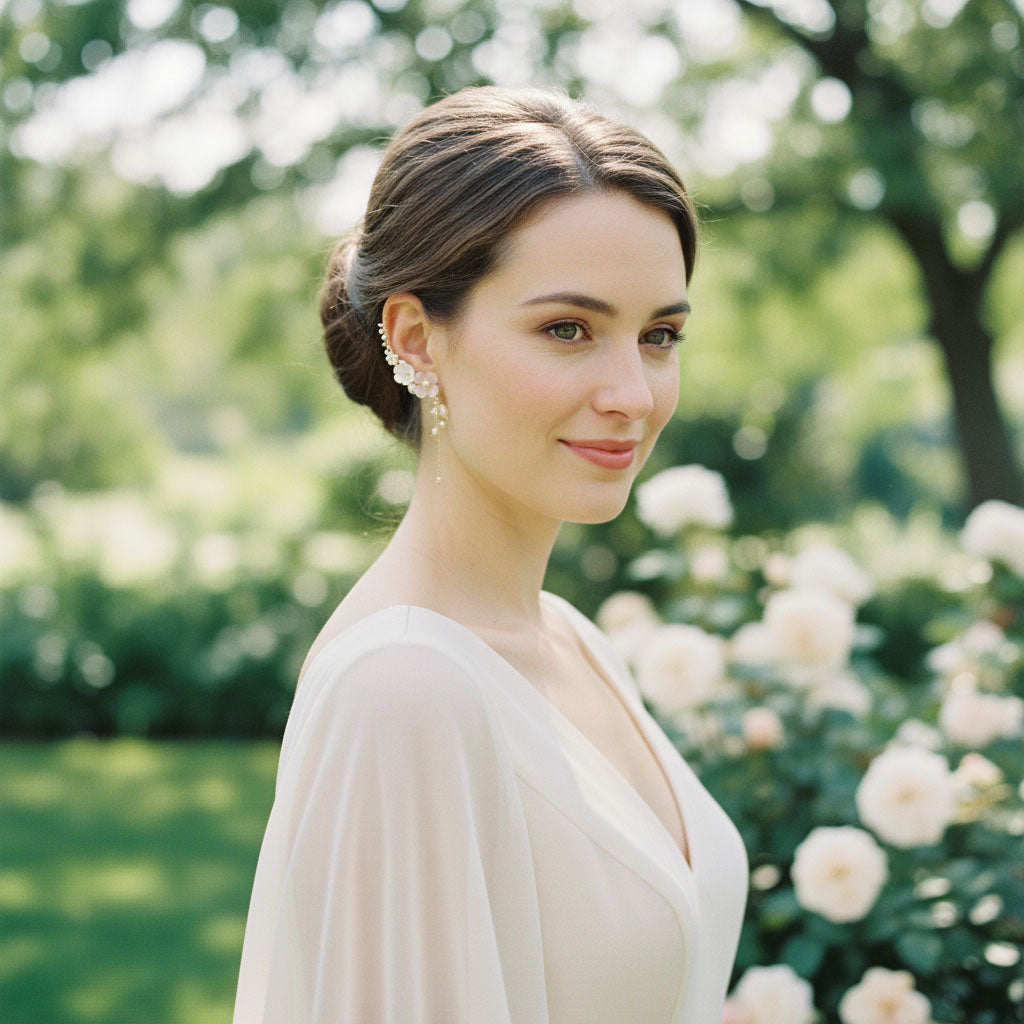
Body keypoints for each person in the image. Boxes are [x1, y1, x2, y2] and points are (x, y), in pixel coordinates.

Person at [233, 85, 748, 1024]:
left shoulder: (570, 639)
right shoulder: (404, 690)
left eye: (660, 335)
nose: (633, 392)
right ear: (417, 338)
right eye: (568, 330)